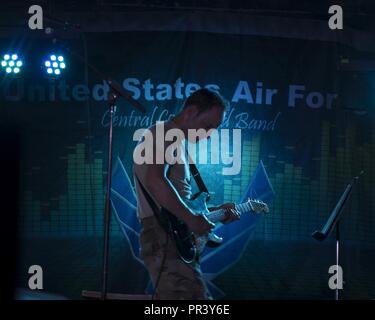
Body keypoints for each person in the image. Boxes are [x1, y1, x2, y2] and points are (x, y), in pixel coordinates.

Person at [133, 88, 241, 299]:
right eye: (208, 126)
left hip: (171, 236)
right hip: (163, 236)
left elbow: (176, 202)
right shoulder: (163, 133)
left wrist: (214, 212)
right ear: (190, 112)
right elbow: (154, 180)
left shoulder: (176, 142)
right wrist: (192, 219)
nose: (209, 134)